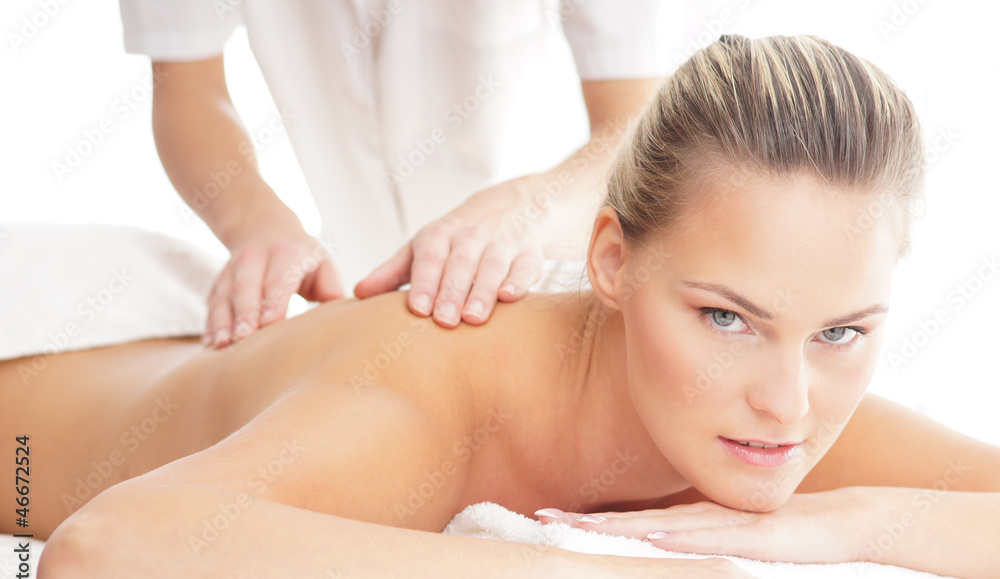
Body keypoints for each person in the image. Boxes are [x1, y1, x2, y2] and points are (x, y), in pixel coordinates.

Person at [12, 34, 1000, 579]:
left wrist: (845, 522)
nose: (789, 404)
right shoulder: (429, 394)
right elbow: (98, 566)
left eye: (841, 331)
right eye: (724, 318)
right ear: (609, 262)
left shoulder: (771, 406)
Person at [119, 0, 677, 345]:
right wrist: (253, 220)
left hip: (541, 257)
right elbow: (185, 83)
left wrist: (527, 209)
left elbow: (636, 122)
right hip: (352, 289)